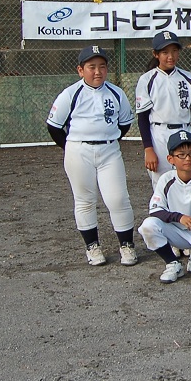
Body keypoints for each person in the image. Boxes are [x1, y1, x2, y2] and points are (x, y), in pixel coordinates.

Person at [46, 44, 137, 267]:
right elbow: (54, 127)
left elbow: (124, 124)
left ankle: (126, 245)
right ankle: (92, 246)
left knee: (118, 198)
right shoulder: (71, 93)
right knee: (85, 200)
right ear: (80, 70)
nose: (97, 72)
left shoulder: (116, 93)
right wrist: (70, 148)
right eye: (91, 67)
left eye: (102, 67)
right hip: (78, 150)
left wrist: (108, 138)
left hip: (109, 150)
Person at [137, 130, 191, 284]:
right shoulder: (165, 179)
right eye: (181, 155)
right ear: (170, 159)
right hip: (176, 230)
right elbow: (156, 210)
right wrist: (179, 217)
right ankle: (172, 263)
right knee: (148, 226)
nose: (188, 158)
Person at [133, 30, 191, 188]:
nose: (171, 56)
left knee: (189, 182)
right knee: (161, 183)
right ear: (155, 54)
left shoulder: (188, 78)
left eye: (174, 51)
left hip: (185, 131)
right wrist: (148, 149)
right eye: (165, 52)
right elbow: (142, 118)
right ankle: (162, 213)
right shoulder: (147, 79)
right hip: (159, 134)